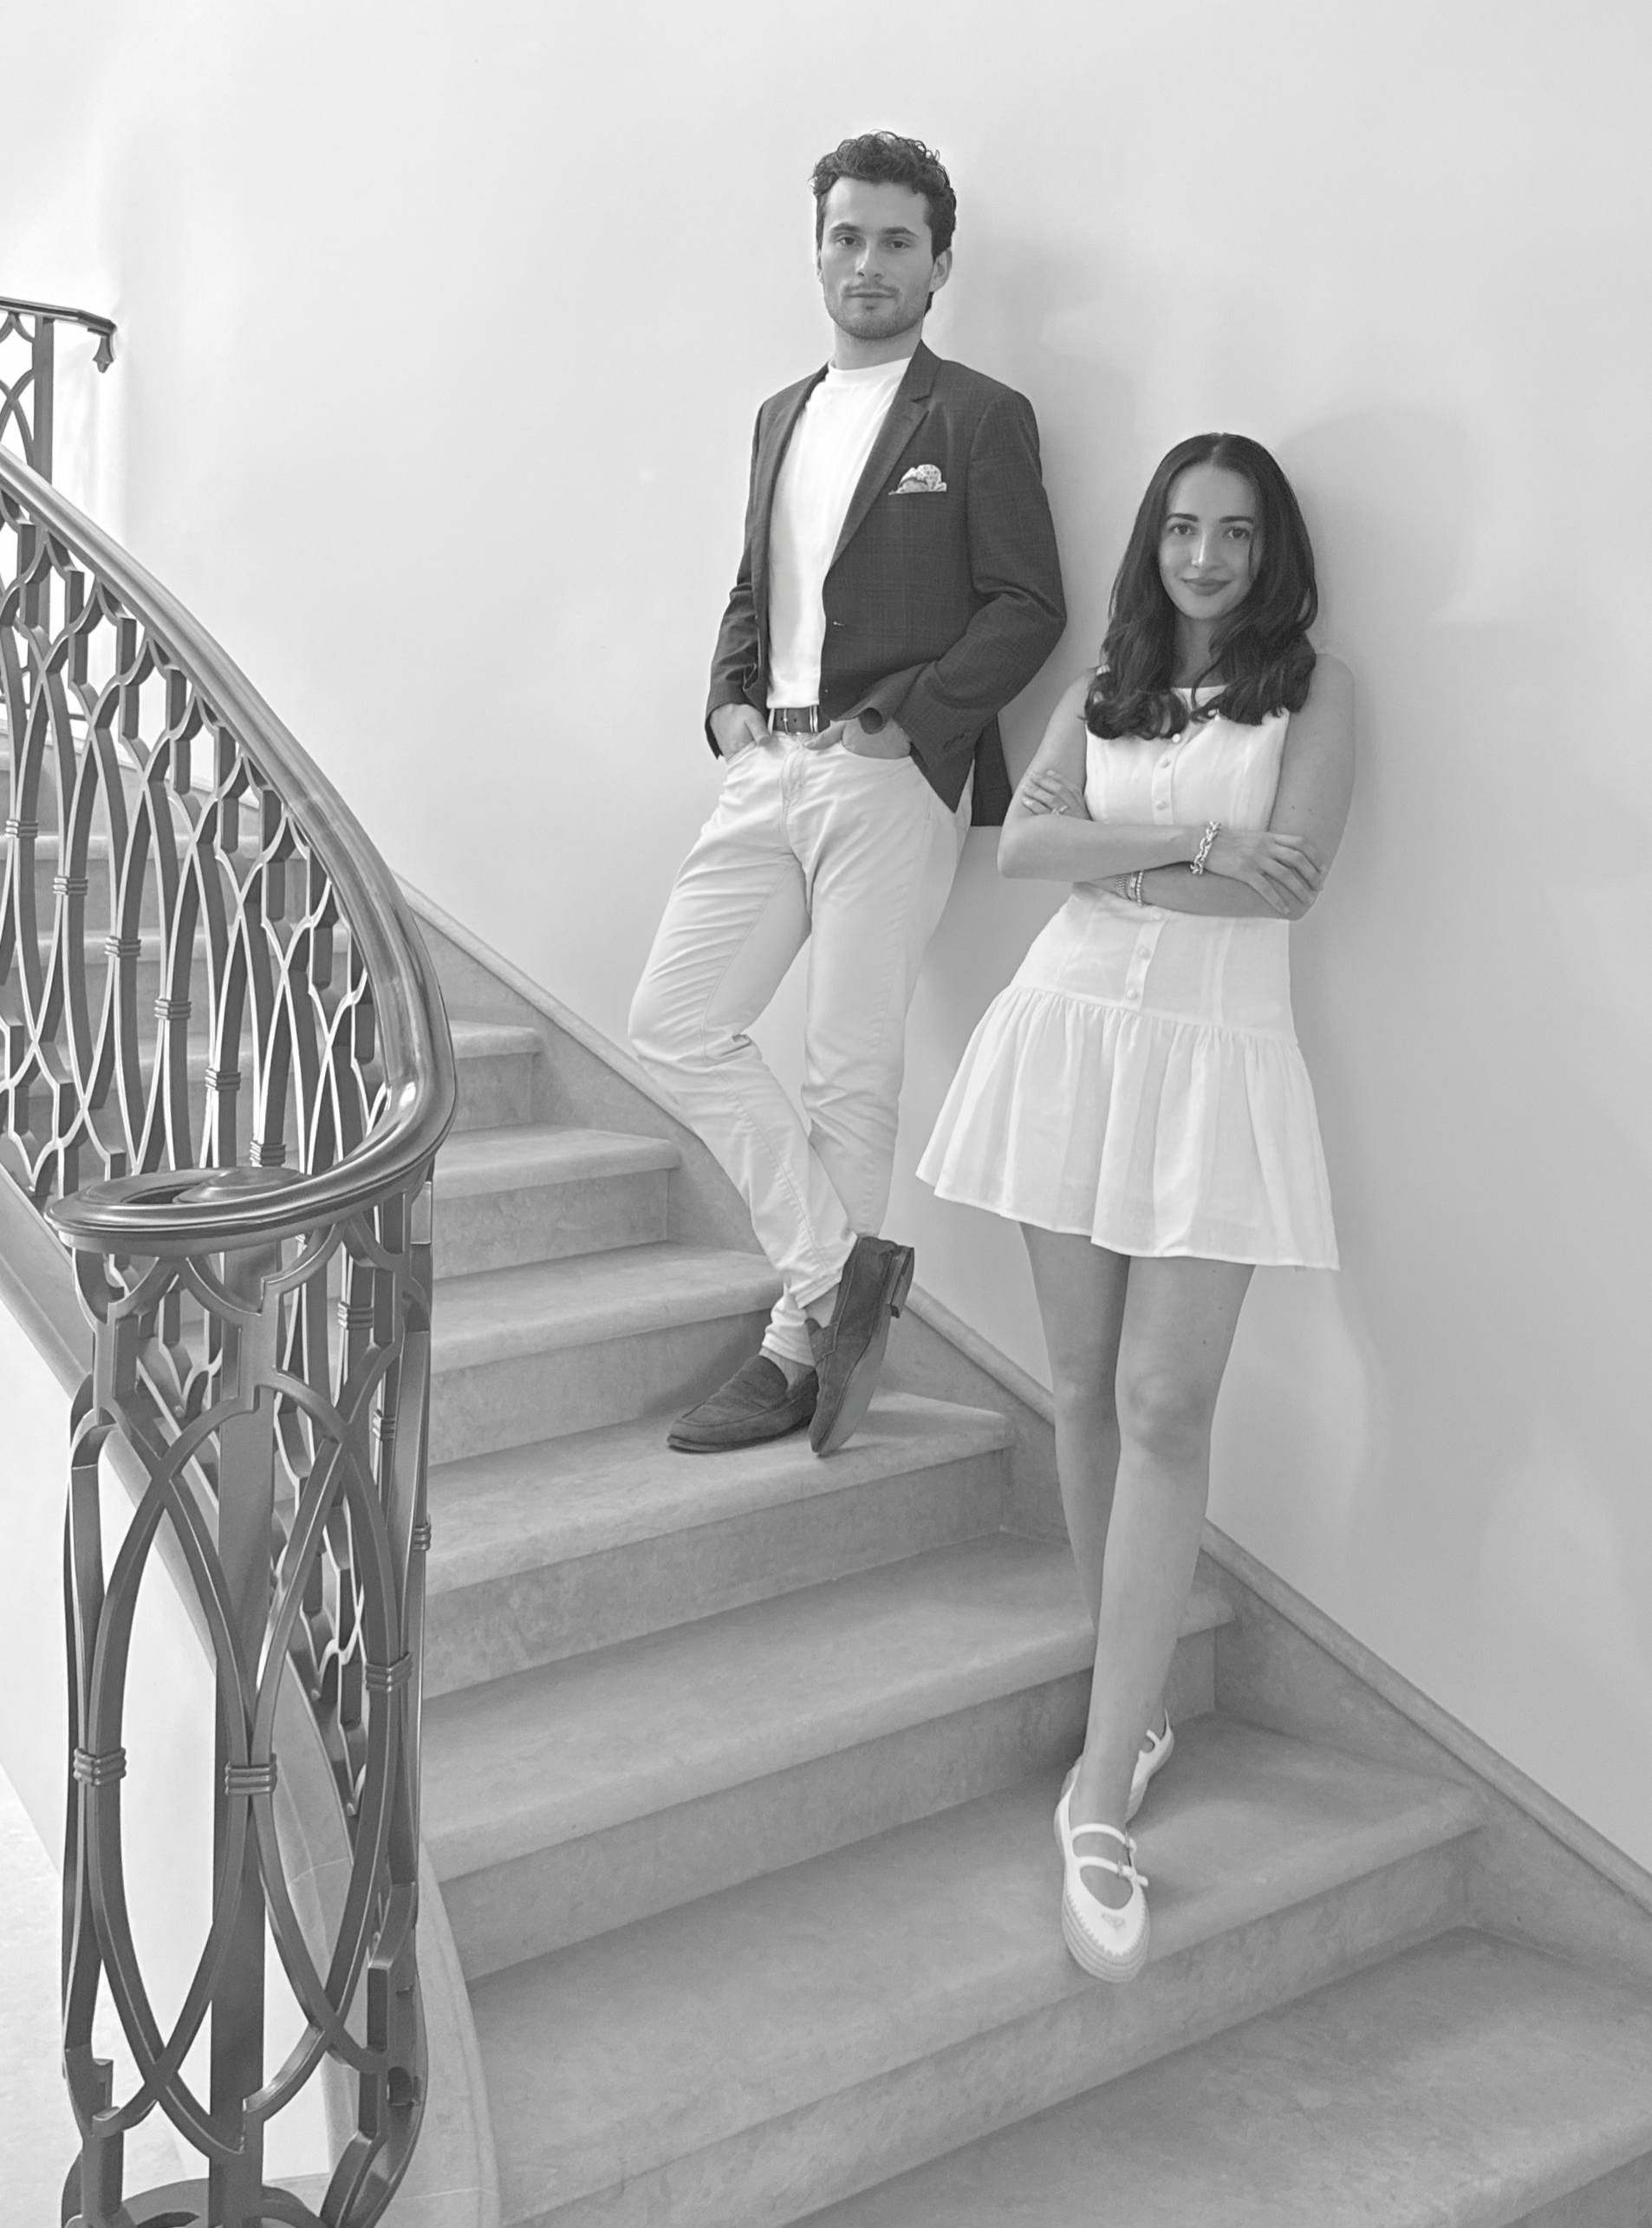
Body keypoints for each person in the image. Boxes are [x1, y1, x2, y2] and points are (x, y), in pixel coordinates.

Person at [918, 433, 1355, 1979]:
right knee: (1085, 1388)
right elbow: (1022, 841)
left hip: (1214, 1060)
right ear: (1151, 541)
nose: (1205, 554)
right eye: (1181, 526)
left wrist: (1127, 866)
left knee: (1169, 1400)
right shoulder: (1105, 676)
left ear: (1270, 547)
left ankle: (1099, 1795)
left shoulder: (1314, 690)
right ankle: (1139, 1698)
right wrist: (1182, 839)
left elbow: (1287, 882)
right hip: (1065, 1037)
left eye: (1234, 531)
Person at [630, 131, 1066, 1458]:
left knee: (847, 1071)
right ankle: (837, 1284)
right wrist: (726, 701)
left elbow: (1026, 603)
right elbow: (752, 588)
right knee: (671, 1023)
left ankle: (792, 1346)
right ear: (815, 248)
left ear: (939, 262)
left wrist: (909, 724)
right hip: (770, 766)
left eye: (892, 240)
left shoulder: (978, 416)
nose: (864, 261)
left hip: (888, 774)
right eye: (844, 236)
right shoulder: (782, 413)